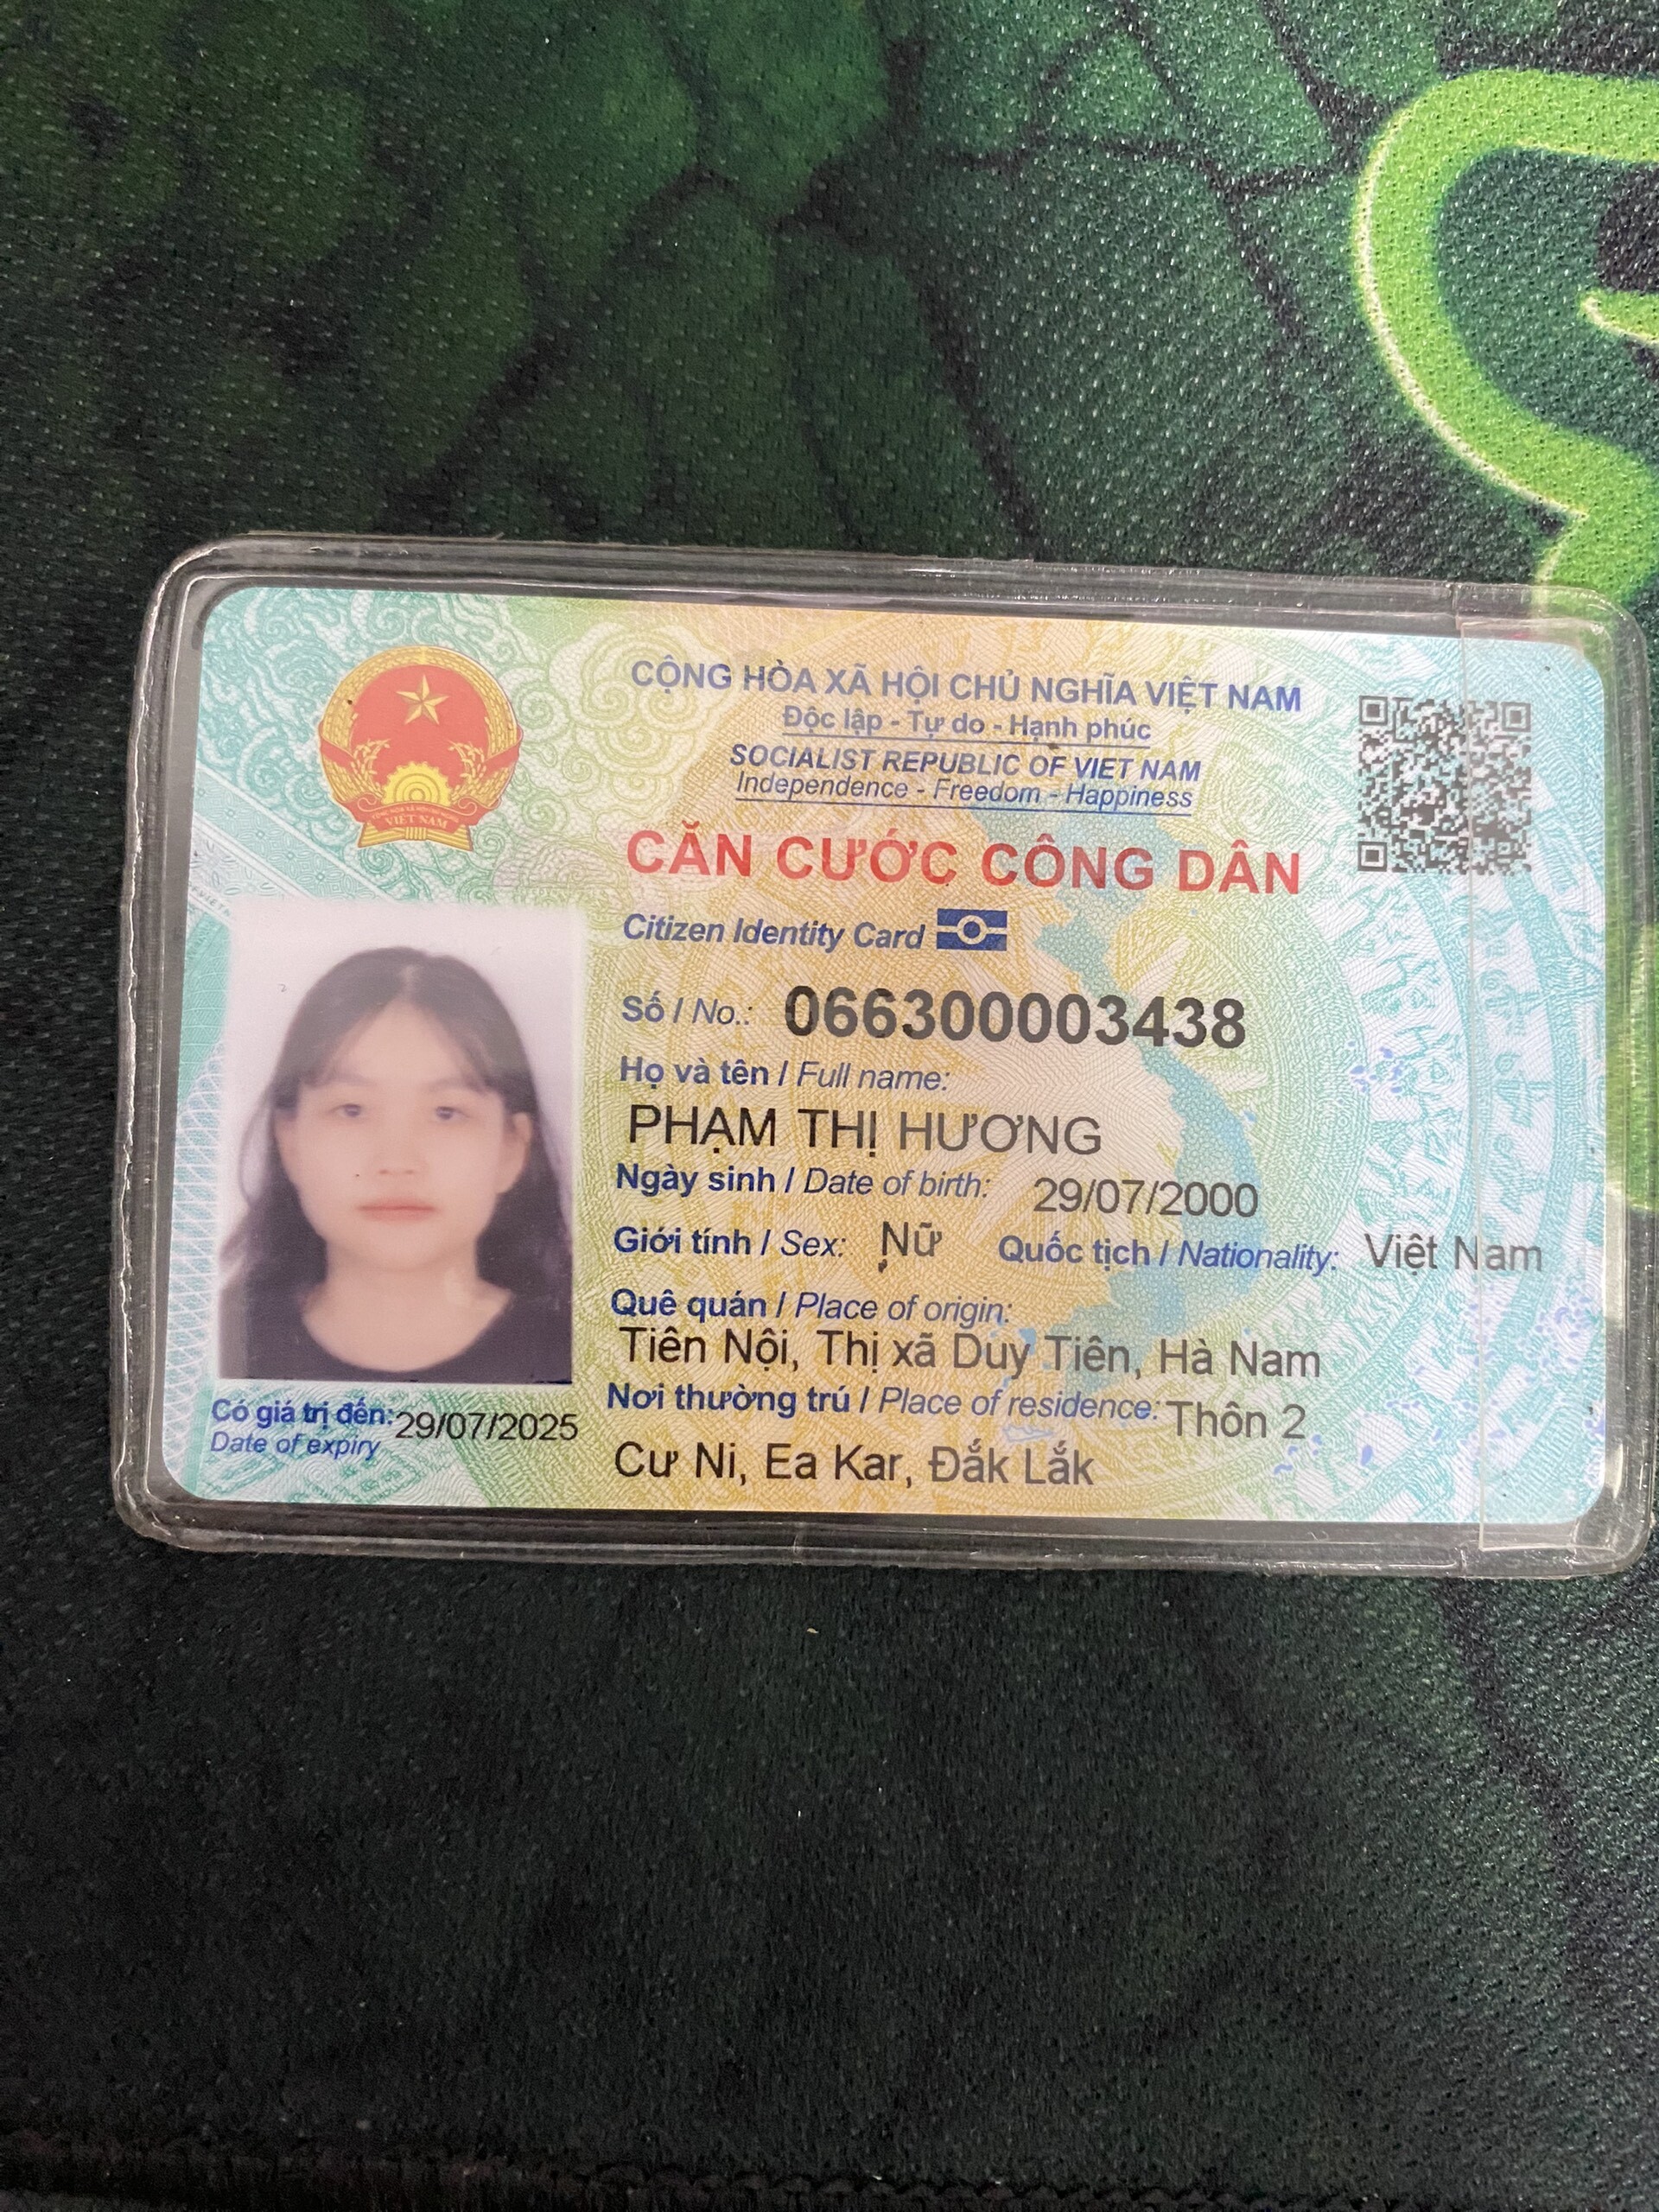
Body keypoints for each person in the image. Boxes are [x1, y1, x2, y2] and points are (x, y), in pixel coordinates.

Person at [220, 945, 571, 1384]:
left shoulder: (587, 1356)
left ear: (511, 1149)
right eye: (352, 1110)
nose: (397, 1162)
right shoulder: (214, 1347)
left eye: (446, 1113)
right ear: (290, 1144)